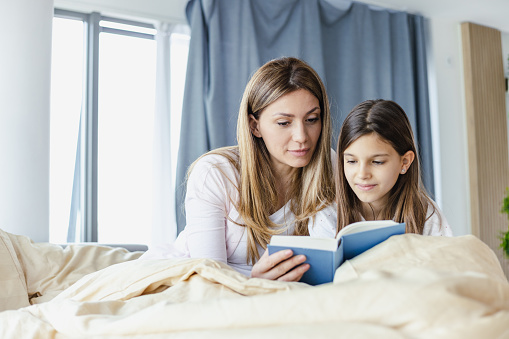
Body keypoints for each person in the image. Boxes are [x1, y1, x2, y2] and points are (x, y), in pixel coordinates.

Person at [141, 57, 337, 281]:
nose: (302, 137)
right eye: (284, 123)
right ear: (255, 126)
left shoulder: (329, 165)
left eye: (312, 119)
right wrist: (257, 282)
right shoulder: (215, 173)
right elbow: (210, 279)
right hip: (185, 280)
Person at [319, 99, 452, 237]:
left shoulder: (426, 215)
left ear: (405, 162)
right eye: (352, 161)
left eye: (377, 162)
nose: (362, 174)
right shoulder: (327, 214)